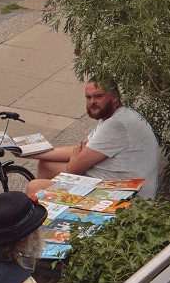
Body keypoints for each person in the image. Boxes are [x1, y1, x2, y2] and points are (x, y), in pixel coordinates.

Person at [25, 81, 162, 200]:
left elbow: (73, 169)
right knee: (45, 165)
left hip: (124, 195)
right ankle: (48, 211)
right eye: (88, 97)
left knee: (35, 187)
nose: (92, 102)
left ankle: (42, 221)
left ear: (114, 97)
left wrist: (75, 158)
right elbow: (79, 149)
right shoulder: (119, 115)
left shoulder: (116, 125)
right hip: (112, 182)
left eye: (98, 96)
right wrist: (29, 152)